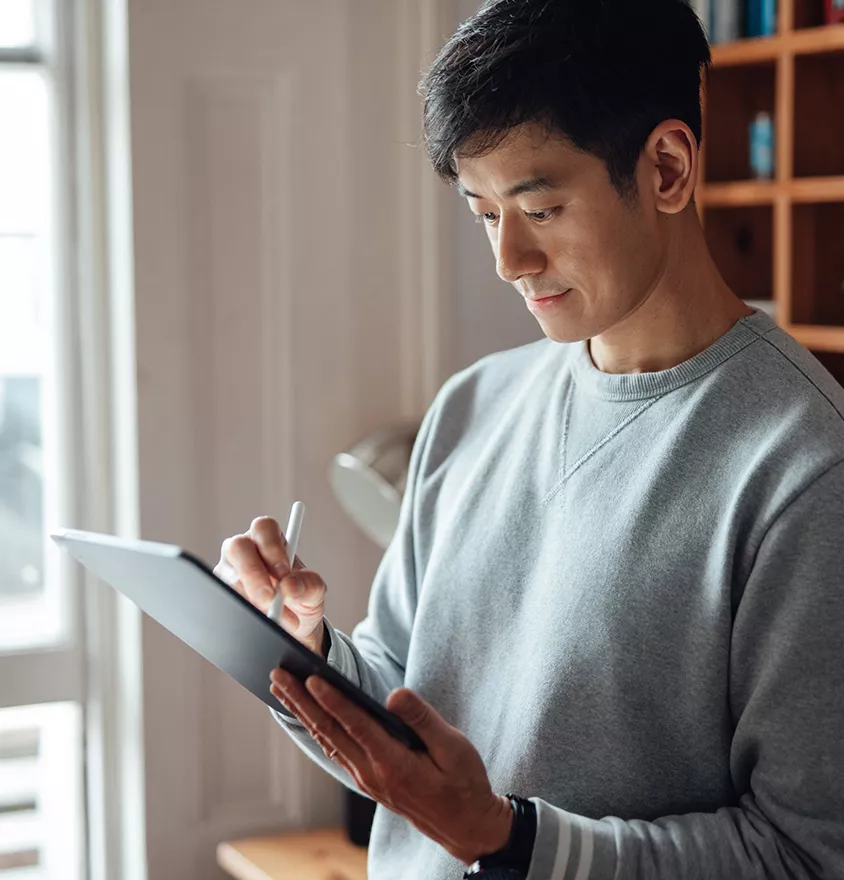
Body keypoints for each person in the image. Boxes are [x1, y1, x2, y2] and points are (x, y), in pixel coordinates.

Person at [213, 1, 844, 877]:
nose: (508, 258)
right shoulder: (474, 403)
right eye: (481, 213)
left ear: (666, 168)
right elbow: (407, 726)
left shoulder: (806, 467)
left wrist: (509, 842)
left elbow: (804, 856)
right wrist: (302, 650)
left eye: (539, 209)